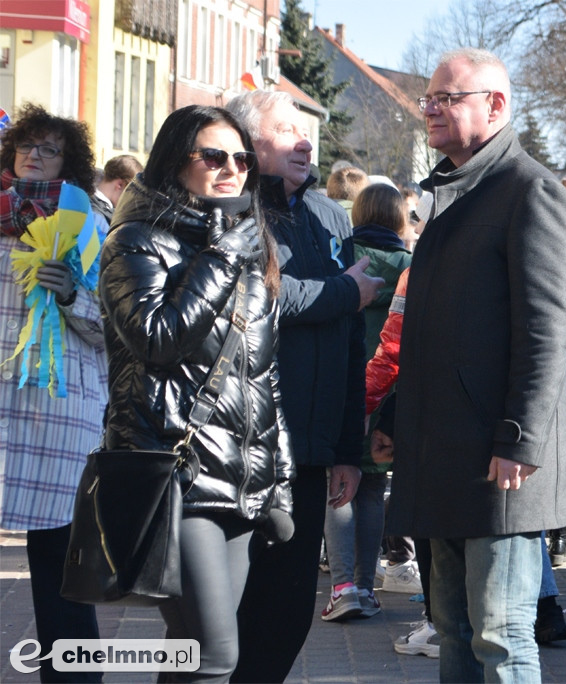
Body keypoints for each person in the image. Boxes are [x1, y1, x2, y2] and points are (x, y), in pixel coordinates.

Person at [386, 47, 566, 682]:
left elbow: (548, 328)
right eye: (429, 99)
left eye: (447, 97)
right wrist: (393, 413)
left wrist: (518, 436)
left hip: (501, 464)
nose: (430, 110)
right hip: (445, 454)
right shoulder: (454, 190)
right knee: (455, 634)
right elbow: (435, 328)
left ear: (495, 105)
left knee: (500, 637)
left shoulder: (531, 191)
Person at [98, 104, 293, 682]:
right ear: (175, 162)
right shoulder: (137, 241)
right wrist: (222, 257)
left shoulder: (251, 248)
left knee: (191, 650)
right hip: (171, 471)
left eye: (241, 158)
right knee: (214, 654)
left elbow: (263, 375)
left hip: (238, 477)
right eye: (212, 156)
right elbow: (157, 338)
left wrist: (279, 481)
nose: (230, 169)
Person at [224, 90, 383, 683]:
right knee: (226, 616)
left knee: (289, 611)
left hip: (311, 452)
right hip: (243, 448)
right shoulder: (233, 209)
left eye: (306, 129)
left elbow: (349, 344)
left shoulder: (328, 216)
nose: (304, 140)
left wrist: (348, 449)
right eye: (286, 129)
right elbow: (263, 296)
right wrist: (345, 291)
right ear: (248, 141)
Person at [0, 103, 104, 684]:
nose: (34, 156)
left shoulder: (89, 226)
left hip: (60, 410)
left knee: (61, 565)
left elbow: (114, 329)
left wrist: (72, 296)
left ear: (72, 164)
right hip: (3, 404)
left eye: (49, 149)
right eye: (26, 146)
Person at [320, 182, 415, 621]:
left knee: (337, 484)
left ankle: (341, 587)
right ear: (399, 219)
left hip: (340, 383)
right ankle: (366, 583)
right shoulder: (410, 267)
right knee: (373, 487)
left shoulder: (341, 258)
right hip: (389, 393)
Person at [91, 154, 142, 223]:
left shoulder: (83, 192)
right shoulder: (96, 216)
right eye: (131, 195)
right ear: (120, 185)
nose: (129, 202)